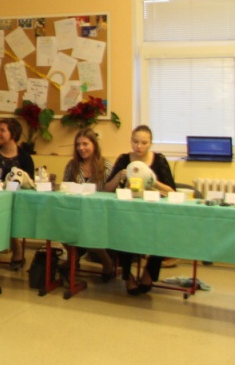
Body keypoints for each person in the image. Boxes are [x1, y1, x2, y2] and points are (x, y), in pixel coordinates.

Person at [107, 124, 176, 295]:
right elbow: (106, 189)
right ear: (130, 141)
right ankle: (127, 276)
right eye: (135, 142)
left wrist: (153, 181)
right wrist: (119, 176)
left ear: (150, 143)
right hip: (128, 213)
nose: (139, 146)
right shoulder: (124, 160)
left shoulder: (159, 160)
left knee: (164, 235)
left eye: (144, 143)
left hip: (155, 213)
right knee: (120, 233)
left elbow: (172, 191)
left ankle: (149, 273)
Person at [60, 128, 115, 281]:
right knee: (58, 222)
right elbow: (65, 187)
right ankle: (73, 257)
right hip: (75, 210)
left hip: (98, 213)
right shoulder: (72, 165)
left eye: (85, 144)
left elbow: (111, 193)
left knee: (89, 228)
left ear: (94, 145)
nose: (81, 148)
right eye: (78, 145)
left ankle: (106, 262)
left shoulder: (106, 167)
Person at [0, 118, 33, 268]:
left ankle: (17, 248)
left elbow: (29, 182)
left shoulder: (24, 157)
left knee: (9, 215)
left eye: (2, 130)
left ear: (13, 134)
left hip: (18, 201)